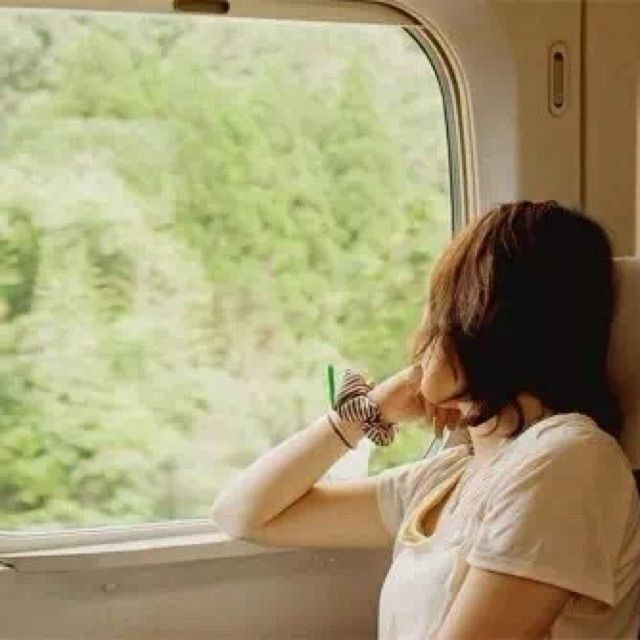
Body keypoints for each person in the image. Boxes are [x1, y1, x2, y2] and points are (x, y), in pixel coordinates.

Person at [212, 200, 640, 639]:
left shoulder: (567, 460)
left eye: (439, 308)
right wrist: (366, 410)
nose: (420, 336)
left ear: (485, 319)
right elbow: (243, 514)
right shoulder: (450, 476)